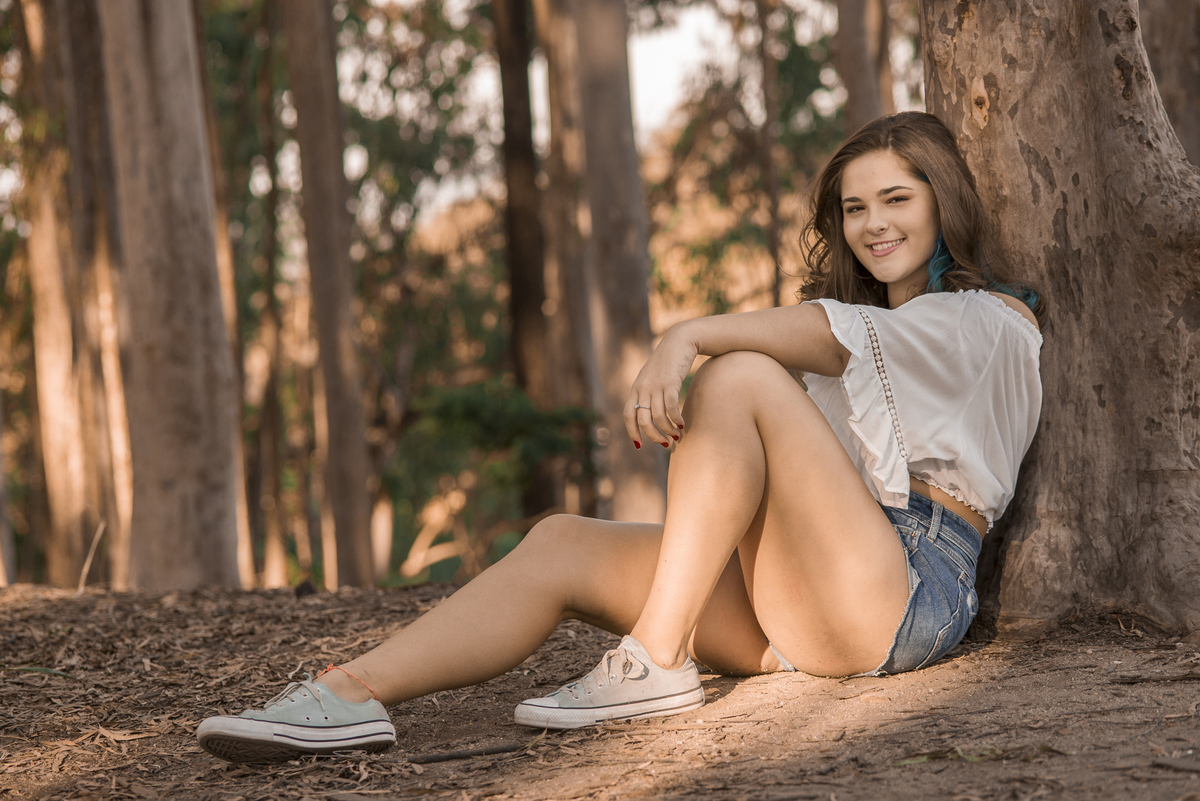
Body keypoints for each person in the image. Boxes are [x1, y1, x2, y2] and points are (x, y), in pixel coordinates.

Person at [196, 111, 1044, 763]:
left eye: (898, 199)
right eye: (855, 207)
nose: (873, 224)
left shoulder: (985, 320)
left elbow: (819, 337)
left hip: (904, 593)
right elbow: (823, 372)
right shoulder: (858, 343)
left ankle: (657, 657)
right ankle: (344, 696)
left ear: (944, 201)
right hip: (809, 590)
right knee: (562, 540)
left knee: (738, 375)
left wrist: (688, 335)